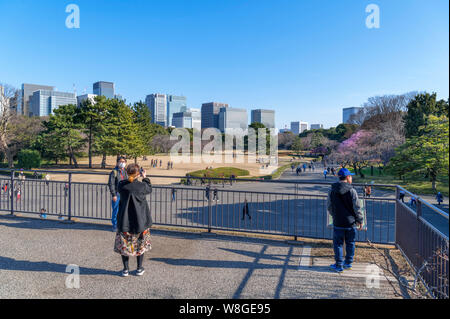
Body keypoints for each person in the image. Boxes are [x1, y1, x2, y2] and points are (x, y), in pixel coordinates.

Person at [114, 164, 152, 277]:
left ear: (127, 173)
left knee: (124, 245)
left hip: (124, 220)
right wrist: (145, 177)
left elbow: (121, 184)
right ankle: (139, 268)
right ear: (138, 173)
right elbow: (149, 188)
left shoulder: (122, 186)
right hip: (140, 220)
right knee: (140, 245)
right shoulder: (142, 186)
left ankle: (125, 269)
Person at [327, 168, 363, 273]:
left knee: (338, 244)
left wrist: (334, 215)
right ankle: (348, 263)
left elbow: (329, 206)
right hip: (350, 223)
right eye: (350, 176)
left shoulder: (331, 190)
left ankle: (338, 265)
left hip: (338, 221)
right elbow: (357, 207)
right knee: (350, 242)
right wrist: (360, 220)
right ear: (347, 178)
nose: (351, 178)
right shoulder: (352, 191)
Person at [108, 156, 128, 232]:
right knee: (116, 211)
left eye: (123, 162)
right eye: (120, 162)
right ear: (117, 162)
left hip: (125, 194)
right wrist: (114, 194)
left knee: (124, 210)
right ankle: (115, 226)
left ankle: (122, 225)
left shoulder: (125, 171)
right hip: (117, 194)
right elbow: (111, 184)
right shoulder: (114, 172)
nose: (122, 163)